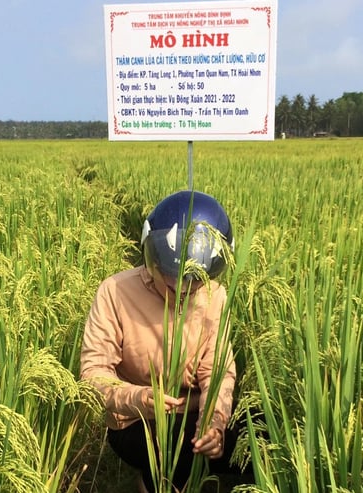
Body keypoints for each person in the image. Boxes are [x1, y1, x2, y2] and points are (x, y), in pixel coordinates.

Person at [80, 190, 239, 492]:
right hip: (135, 421)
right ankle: (157, 482)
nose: (183, 289)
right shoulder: (114, 292)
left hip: (193, 412)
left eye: (194, 283)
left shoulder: (215, 295)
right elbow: (93, 375)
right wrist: (138, 398)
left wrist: (214, 424)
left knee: (252, 442)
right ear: (152, 260)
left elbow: (217, 373)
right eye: (173, 277)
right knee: (173, 457)